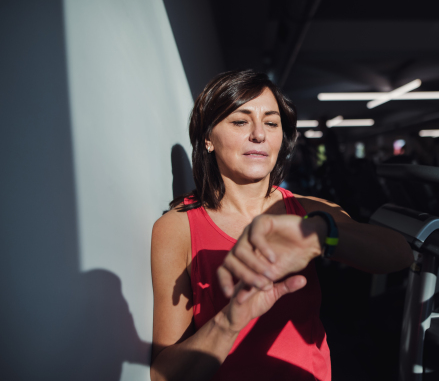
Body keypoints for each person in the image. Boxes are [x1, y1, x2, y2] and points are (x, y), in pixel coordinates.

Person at [150, 70, 413, 381]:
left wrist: (321, 234)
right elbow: (164, 374)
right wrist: (232, 319)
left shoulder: (307, 210)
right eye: (240, 121)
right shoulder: (178, 227)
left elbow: (399, 253)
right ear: (208, 138)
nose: (259, 134)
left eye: (271, 123)